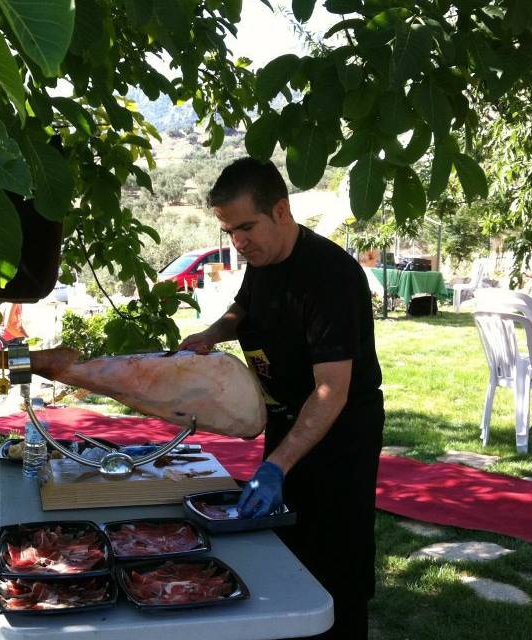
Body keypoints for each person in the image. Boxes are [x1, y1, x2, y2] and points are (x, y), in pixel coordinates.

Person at [179, 158, 384, 640]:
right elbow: (243, 308)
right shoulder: (263, 260)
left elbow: (331, 392)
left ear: (281, 211)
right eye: (229, 231)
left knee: (336, 562)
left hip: (338, 434)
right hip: (287, 420)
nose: (238, 242)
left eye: (246, 227)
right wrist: (211, 334)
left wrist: (277, 465)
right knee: (287, 550)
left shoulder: (330, 276)